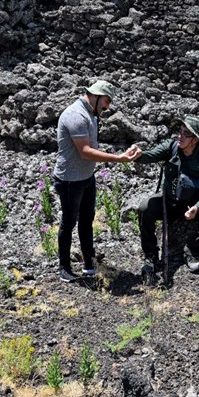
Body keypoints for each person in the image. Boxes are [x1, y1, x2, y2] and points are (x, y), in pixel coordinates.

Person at [54, 80, 140, 282]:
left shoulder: (91, 114)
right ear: (95, 96)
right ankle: (64, 268)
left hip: (86, 177)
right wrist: (118, 158)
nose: (107, 106)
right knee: (68, 222)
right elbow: (84, 152)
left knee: (86, 220)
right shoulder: (76, 115)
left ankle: (88, 262)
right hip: (69, 179)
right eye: (106, 101)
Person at [132, 116, 199, 274]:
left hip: (193, 205)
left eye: (185, 134)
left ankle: (193, 249)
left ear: (195, 140)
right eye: (179, 132)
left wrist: (198, 206)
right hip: (170, 201)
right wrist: (138, 155)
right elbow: (150, 155)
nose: (180, 136)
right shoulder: (172, 147)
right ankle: (151, 254)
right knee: (145, 208)